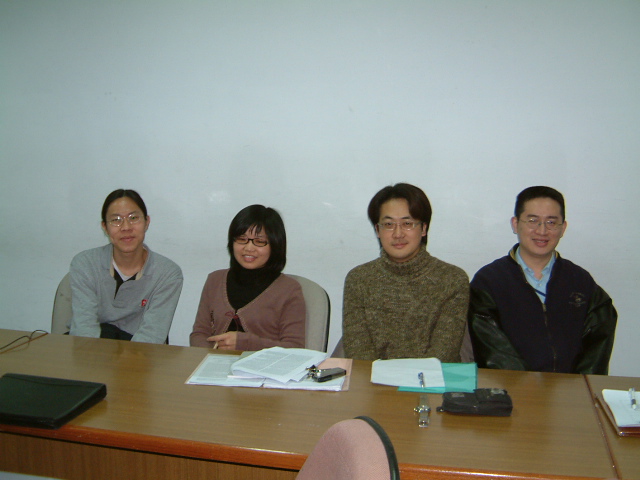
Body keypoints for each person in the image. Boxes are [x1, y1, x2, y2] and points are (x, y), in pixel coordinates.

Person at [468, 186, 617, 374]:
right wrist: (530, 386)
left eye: (551, 222)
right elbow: (493, 353)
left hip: (571, 388)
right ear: (515, 224)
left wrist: (577, 386)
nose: (542, 230)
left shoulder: (581, 281)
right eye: (533, 221)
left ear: (563, 228)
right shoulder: (489, 281)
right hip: (511, 387)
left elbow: (596, 350)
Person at [342, 183, 469, 361]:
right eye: (388, 224)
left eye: (407, 223)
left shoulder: (452, 279)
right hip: (372, 377)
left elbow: (443, 354)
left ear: (423, 229)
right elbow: (358, 352)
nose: (398, 233)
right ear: (377, 230)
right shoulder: (358, 279)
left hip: (432, 377)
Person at [69, 189, 183, 343]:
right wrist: (95, 357)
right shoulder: (85, 264)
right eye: (116, 220)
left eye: (133, 218)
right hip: (93, 349)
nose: (126, 227)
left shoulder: (167, 273)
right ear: (105, 227)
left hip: (142, 352)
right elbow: (84, 329)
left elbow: (152, 335)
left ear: (147, 222)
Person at [190, 205, 306, 350]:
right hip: (214, 361)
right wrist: (210, 354)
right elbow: (199, 334)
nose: (249, 248)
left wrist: (246, 343)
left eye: (259, 241)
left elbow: (295, 348)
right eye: (241, 239)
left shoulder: (289, 290)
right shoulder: (215, 280)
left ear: (275, 245)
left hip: (265, 364)